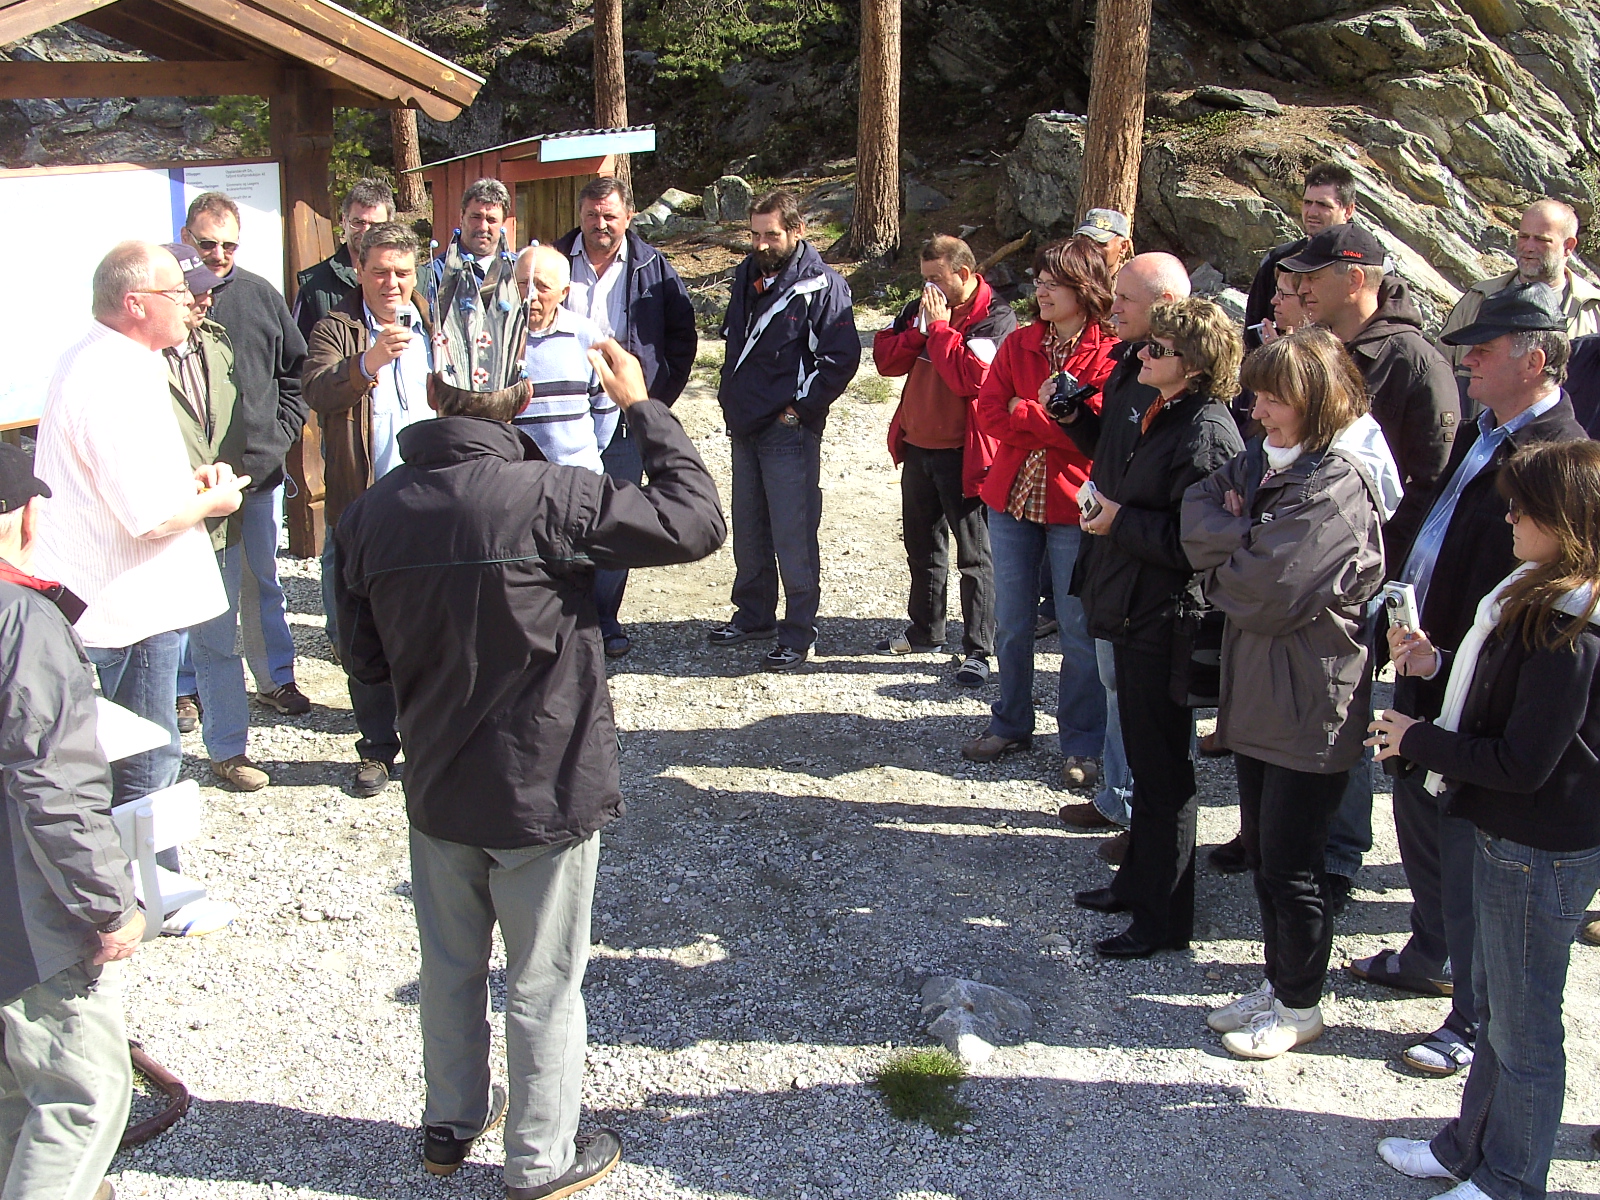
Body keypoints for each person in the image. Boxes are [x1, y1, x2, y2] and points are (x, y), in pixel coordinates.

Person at [333, 340, 725, 1200]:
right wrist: (644, 409)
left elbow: (360, 659)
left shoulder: (368, 514)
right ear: (520, 400)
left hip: (439, 781)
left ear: (431, 391)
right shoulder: (555, 495)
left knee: (450, 966)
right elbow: (697, 521)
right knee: (542, 979)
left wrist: (418, 702)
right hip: (543, 783)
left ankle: (448, 1126)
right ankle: (540, 1159)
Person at [1347, 283, 1587, 1080]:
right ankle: (1432, 954)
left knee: (1471, 846)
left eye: (1482, 350)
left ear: (1536, 359)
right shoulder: (1484, 432)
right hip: (1433, 658)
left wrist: (1454, 661)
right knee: (1419, 815)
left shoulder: (1556, 457)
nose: (1466, 362)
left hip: (1483, 683)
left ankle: (1471, 1018)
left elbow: (1536, 589)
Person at [1370, 439, 1600, 1200]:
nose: (1509, 518)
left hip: (1539, 845)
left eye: (1522, 507)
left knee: (1524, 1028)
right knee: (1497, 1009)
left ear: (1564, 519)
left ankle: (1509, 1179)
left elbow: (1523, 763)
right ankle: (1467, 1148)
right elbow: (1505, 704)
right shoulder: (1535, 596)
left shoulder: (1572, 631)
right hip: (1511, 835)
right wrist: (1437, 666)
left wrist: (1418, 740)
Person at [1182, 328, 1396, 1056]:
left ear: (1317, 400)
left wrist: (1230, 544)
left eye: (1273, 399)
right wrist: (1247, 535)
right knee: (1265, 859)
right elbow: (1195, 510)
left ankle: (1301, 1004)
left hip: (1310, 704)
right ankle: (1279, 984)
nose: (1257, 411)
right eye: (1257, 396)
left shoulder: (1337, 485)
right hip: (1258, 692)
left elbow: (1269, 594)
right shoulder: (1271, 460)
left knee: (1294, 867)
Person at [33, 240, 246, 936]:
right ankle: (158, 898)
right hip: (127, 600)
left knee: (122, 752)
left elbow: (131, 486)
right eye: (175, 293)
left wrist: (190, 483)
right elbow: (149, 516)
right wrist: (216, 501)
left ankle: (129, 890)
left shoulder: (103, 360)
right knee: (149, 754)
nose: (191, 303)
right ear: (135, 304)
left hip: (113, 593)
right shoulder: (113, 377)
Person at [1275, 221, 1461, 905]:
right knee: (1301, 698)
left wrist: (1375, 568)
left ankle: (1340, 854)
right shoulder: (1327, 347)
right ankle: (1283, 834)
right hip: (1313, 562)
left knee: (1346, 706)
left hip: (1367, 575)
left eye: (1312, 277)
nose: (1299, 288)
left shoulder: (1413, 360)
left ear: (1355, 279)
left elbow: (1429, 486)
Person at [1063, 297, 1244, 957]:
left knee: (1166, 774)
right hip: (1133, 606)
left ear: (1193, 365)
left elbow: (1200, 544)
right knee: (1145, 762)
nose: (1142, 353)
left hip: (1164, 619)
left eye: (1158, 349)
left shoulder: (1206, 434)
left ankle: (1164, 921)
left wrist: (1118, 522)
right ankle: (1138, 884)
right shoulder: (1164, 410)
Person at [1, 443, 146, 1200]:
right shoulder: (22, 622)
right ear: (23, 517)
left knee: (11, 1096)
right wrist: (108, 904)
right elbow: (52, 782)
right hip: (24, 916)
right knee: (80, 1097)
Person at [962, 239, 1116, 785]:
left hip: (1074, 509)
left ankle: (1082, 742)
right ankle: (1010, 723)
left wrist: (1023, 411)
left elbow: (1095, 435)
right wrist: (1050, 416)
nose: (1041, 291)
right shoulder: (1019, 342)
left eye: (1054, 282)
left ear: (1084, 288)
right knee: (1012, 623)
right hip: (1010, 502)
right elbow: (988, 414)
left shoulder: (1110, 353)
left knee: (1077, 630)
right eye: (1040, 280)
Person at [1055, 252, 1193, 861]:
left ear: (1165, 305)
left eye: (1125, 300)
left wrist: (1124, 524)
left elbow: (1187, 522)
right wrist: (1071, 416)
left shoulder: (1187, 397)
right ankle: (1119, 798)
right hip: (1112, 551)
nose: (1111, 310)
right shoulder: (1130, 362)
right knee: (1115, 684)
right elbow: (1110, 448)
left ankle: (1148, 824)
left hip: (1149, 576)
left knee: (1148, 705)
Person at [304, 221, 434, 799]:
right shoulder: (336, 327)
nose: (391, 283)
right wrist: (368, 362)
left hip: (428, 508)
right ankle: (377, 747)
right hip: (363, 507)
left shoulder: (434, 319)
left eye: (402, 272)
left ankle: (428, 741)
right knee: (363, 636)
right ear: (358, 269)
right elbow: (317, 390)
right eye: (379, 272)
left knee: (428, 632)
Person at [709, 189, 861, 671]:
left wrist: (798, 411)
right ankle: (754, 615)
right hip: (745, 424)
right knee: (749, 529)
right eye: (754, 234)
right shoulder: (746, 275)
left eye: (771, 235)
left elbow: (841, 359)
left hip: (787, 430)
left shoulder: (822, 285)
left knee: (793, 535)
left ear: (797, 231)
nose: (760, 244)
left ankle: (798, 633)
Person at [552, 175, 698, 659]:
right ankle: (561, 620)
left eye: (610, 216)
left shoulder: (654, 266)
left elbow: (682, 339)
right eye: (592, 215)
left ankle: (603, 620)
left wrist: (650, 404)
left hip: (623, 417)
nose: (601, 224)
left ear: (628, 216)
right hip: (564, 413)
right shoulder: (554, 261)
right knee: (559, 516)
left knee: (615, 518)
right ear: (579, 215)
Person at [183, 191, 313, 720]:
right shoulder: (168, 300)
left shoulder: (260, 295)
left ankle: (274, 678)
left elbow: (296, 374)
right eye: (207, 244)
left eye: (229, 245)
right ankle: (186, 686)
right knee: (189, 585)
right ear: (186, 237)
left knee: (262, 581)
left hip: (256, 474)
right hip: (189, 483)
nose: (218, 255)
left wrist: (279, 435)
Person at [874, 234, 1016, 686]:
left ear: (965, 273)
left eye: (936, 279)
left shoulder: (996, 317)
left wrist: (937, 330)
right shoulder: (921, 309)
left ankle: (978, 649)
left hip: (964, 453)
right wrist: (920, 329)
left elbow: (971, 379)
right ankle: (925, 631)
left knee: (975, 557)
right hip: (918, 446)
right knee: (921, 547)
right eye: (924, 279)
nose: (928, 289)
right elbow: (885, 360)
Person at [162, 242, 268, 793]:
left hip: (220, 516)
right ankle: (152, 768)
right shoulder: (135, 361)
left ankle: (228, 750)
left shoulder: (216, 342)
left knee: (218, 640)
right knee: (157, 648)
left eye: (208, 289)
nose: (205, 299)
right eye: (193, 291)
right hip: (161, 522)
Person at [1437, 200, 1600, 402]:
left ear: (1568, 246)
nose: (1528, 247)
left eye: (1541, 239)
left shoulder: (1593, 309)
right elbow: (1440, 371)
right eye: (1523, 236)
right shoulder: (1479, 298)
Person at [511, 245, 616, 472]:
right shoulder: (498, 338)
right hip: (518, 478)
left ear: (564, 292)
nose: (531, 295)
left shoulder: (585, 335)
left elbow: (605, 406)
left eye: (542, 286)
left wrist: (583, 456)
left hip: (577, 475)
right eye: (523, 283)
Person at [1242, 161, 1358, 354]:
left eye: (1323, 205)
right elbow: (1254, 330)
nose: (1312, 212)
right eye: (1307, 203)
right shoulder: (1278, 260)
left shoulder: (1365, 262)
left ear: (1348, 210)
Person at [292, 177, 396, 341]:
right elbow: (299, 350)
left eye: (375, 225)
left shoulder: (411, 280)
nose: (366, 231)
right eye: (358, 222)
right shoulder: (314, 285)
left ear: (390, 224)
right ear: (344, 221)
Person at [1073, 208, 1133, 276]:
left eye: (1100, 243)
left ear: (1123, 247)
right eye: (1085, 242)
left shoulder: (1131, 280)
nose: (1090, 249)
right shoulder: (1069, 276)